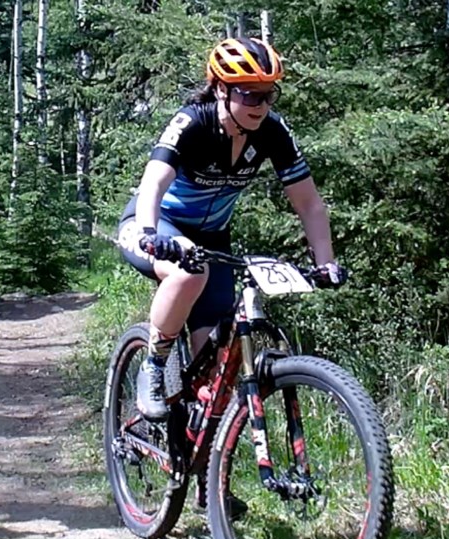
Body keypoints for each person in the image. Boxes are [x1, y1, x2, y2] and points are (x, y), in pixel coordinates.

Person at [117, 38, 346, 510]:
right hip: (158, 225)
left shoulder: (272, 132)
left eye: (267, 93)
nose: (259, 104)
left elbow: (309, 203)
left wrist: (325, 263)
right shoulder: (192, 121)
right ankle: (153, 367)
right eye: (248, 92)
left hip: (212, 240)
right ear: (220, 89)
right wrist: (149, 233)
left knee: (217, 374)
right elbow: (154, 182)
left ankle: (207, 480)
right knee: (187, 276)